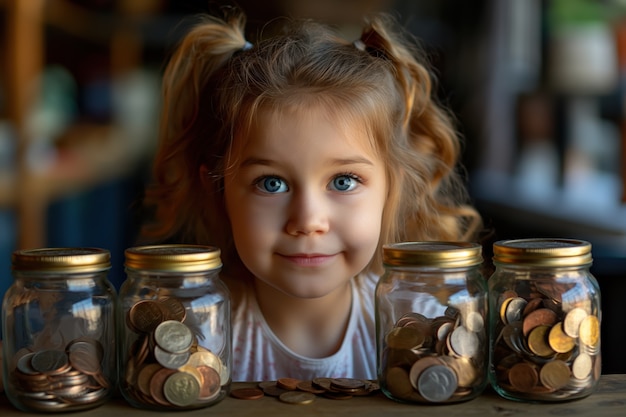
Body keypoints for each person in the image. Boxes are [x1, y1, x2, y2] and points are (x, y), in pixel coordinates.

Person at [139, 8, 482, 382]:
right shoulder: (195, 335)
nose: (307, 221)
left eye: (343, 181)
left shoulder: (427, 329)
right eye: (271, 183)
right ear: (217, 189)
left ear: (392, 188)